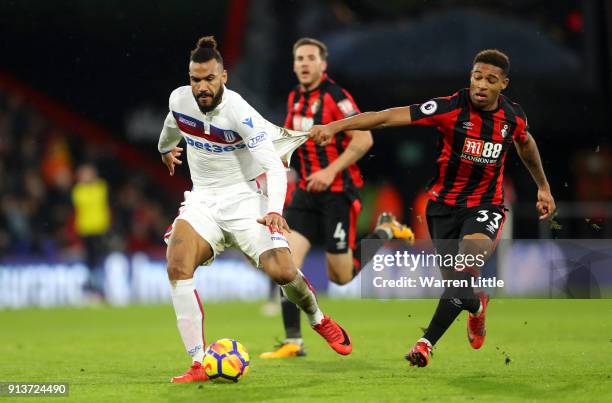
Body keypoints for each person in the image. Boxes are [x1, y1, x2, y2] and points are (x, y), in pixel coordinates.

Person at [310, 49, 556, 367]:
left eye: (491, 80)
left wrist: (543, 186)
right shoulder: (450, 107)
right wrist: (335, 127)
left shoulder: (513, 117)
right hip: (442, 208)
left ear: (503, 84)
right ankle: (478, 307)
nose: (481, 84)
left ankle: (425, 344)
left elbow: (525, 142)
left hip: (486, 207)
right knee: (459, 287)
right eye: (477, 77)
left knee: (464, 269)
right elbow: (386, 116)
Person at [158, 36, 352, 383]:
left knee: (282, 271)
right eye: (195, 79)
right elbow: (171, 127)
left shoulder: (240, 113)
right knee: (176, 264)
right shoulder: (179, 99)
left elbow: (274, 167)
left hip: (246, 200)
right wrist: (164, 149)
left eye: (209, 79)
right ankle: (199, 362)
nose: (202, 87)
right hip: (203, 200)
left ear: (224, 77)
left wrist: (274, 210)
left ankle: (318, 318)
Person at [261, 37, 414, 359]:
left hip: (337, 194)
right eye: (299, 58)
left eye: (310, 58)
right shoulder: (294, 99)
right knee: (284, 261)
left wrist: (330, 171)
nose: (304, 63)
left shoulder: (336, 97)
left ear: (322, 64)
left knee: (340, 277)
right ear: (293, 64)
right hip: (305, 192)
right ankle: (293, 341)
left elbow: (365, 138)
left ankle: (384, 231)